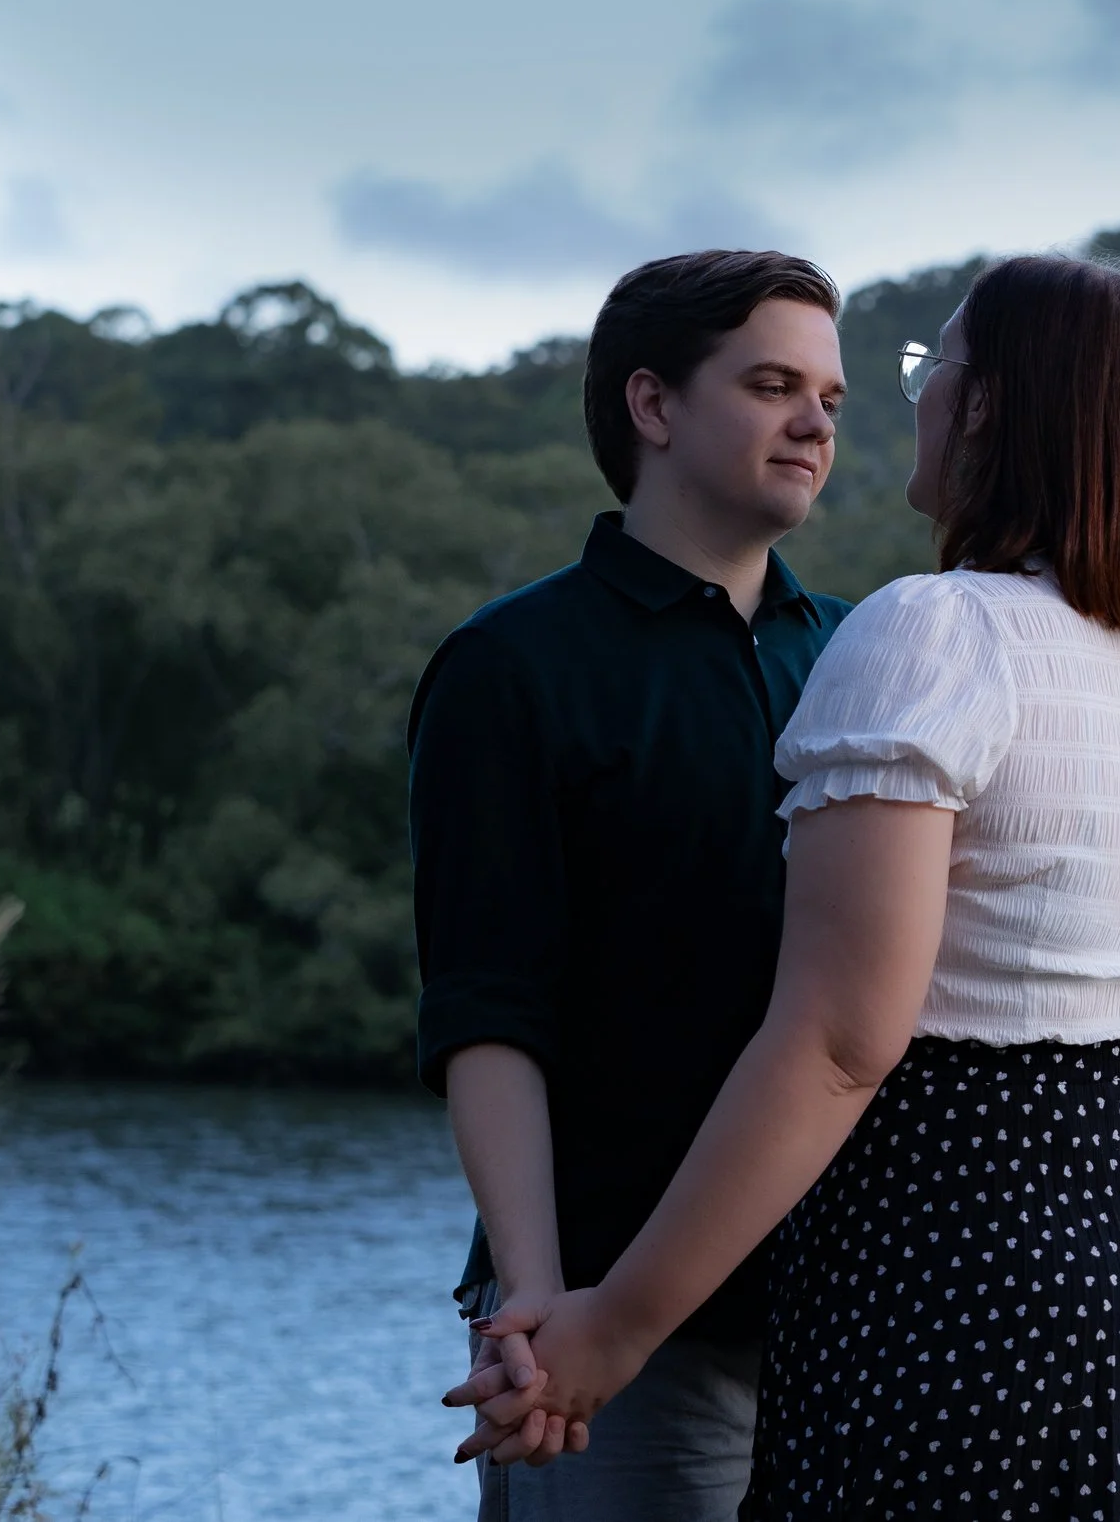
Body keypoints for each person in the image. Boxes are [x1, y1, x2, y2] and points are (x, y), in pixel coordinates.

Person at [456, 255, 1120, 1518]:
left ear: (988, 406)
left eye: (916, 372)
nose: (863, 411)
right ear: (651, 405)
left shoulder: (916, 634)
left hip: (952, 1277)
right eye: (776, 382)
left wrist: (610, 1328)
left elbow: (840, 1038)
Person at [408, 249, 855, 1521]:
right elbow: (489, 1007)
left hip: (857, 1324)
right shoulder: (512, 664)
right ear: (652, 405)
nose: (815, 419)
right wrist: (540, 1301)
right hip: (619, 1332)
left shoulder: (865, 658)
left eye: (829, 394)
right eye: (772, 383)